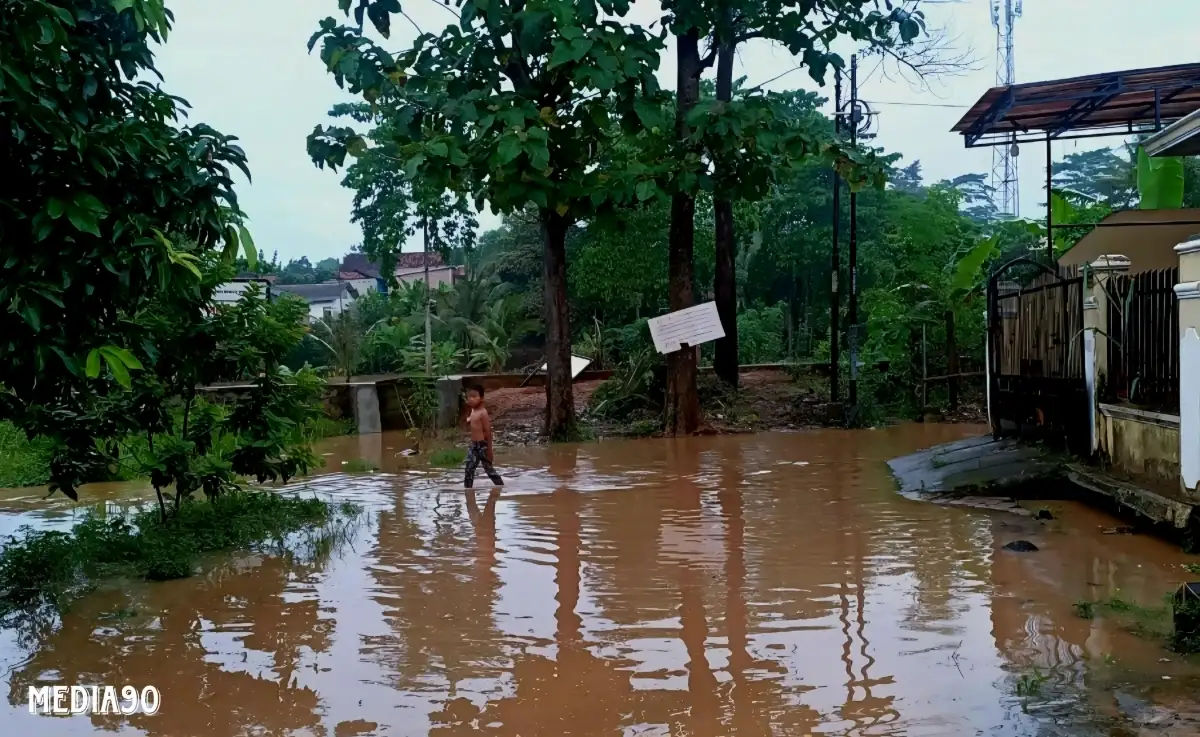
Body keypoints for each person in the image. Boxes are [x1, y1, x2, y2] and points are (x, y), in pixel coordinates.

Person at [464, 384, 504, 488]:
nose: (471, 399)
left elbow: (488, 432)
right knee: (469, 469)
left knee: (489, 470)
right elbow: (472, 419)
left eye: (474, 396)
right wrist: (469, 420)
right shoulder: (473, 411)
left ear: (481, 398)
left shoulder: (483, 413)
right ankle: (468, 492)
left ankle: (500, 487)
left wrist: (489, 450)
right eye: (469, 397)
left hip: (483, 446)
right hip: (474, 445)